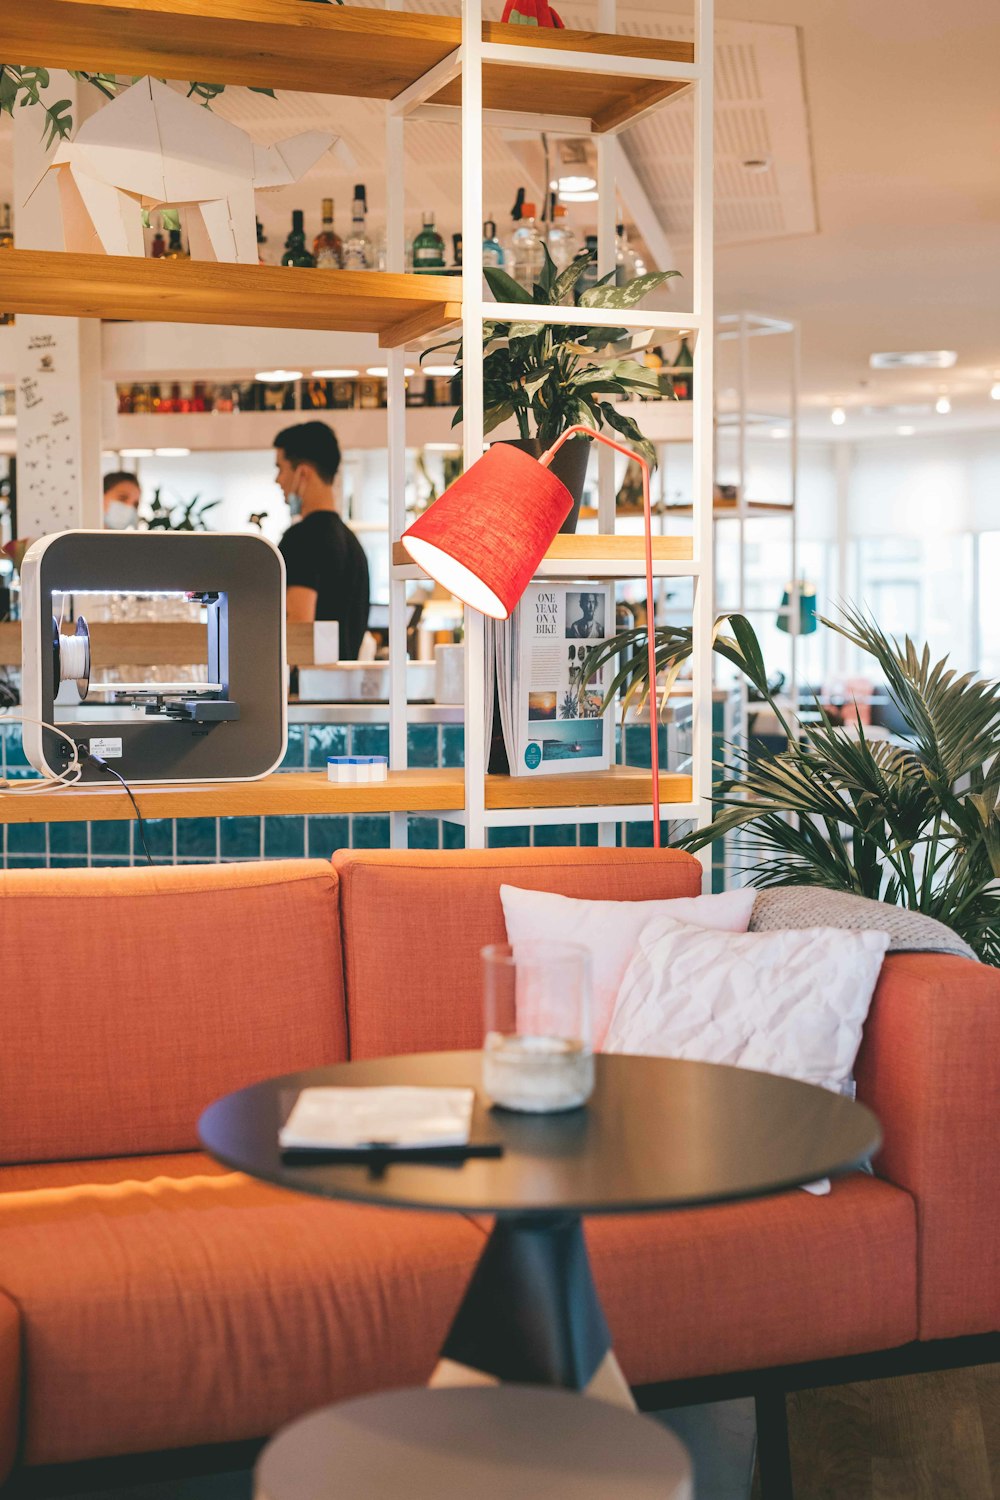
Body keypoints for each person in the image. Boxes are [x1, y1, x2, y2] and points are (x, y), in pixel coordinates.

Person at [274, 420, 369, 658]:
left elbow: (299, 628)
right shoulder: (352, 543)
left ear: (302, 473)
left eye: (281, 468)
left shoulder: (301, 539)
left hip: (308, 692)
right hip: (344, 690)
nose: (278, 480)